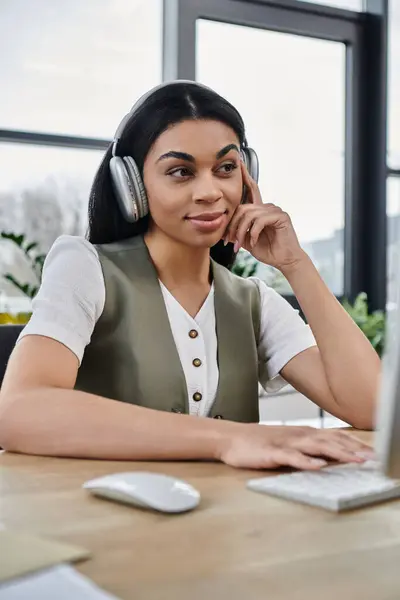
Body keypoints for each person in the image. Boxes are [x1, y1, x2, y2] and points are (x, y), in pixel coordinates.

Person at [0, 81, 379, 470]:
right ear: (133, 186)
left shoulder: (253, 300)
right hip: (101, 522)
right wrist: (229, 439)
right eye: (181, 172)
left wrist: (296, 264)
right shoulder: (86, 268)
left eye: (226, 168)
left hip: (230, 523)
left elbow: (373, 408)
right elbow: (19, 409)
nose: (209, 191)